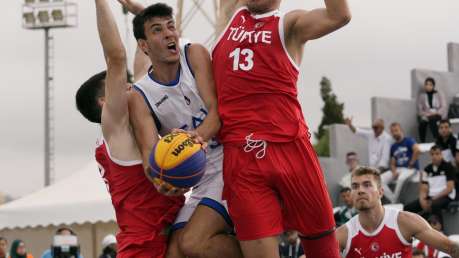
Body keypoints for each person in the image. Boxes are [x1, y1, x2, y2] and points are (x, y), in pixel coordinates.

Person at [212, 0, 351, 257]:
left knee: (324, 251)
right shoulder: (229, 15)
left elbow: (339, 16)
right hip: (242, 157)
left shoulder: (290, 24)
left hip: (291, 150)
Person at [116, 1, 244, 258]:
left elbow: (216, 114)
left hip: (230, 164)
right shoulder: (140, 95)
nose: (169, 33)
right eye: (157, 30)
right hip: (201, 177)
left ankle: (265, 251)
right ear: (144, 46)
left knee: (192, 244)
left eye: (171, 26)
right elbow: (150, 154)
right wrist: (161, 179)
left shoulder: (193, 53)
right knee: (173, 252)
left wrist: (190, 142)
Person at [75, 0, 184, 257]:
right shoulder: (115, 126)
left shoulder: (136, 116)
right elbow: (116, 58)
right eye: (122, 85)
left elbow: (142, 63)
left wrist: (143, 18)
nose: (130, 86)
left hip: (170, 229)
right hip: (143, 245)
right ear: (105, 102)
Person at [336, 166, 459, 258]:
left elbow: (451, 248)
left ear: (380, 192)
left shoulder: (404, 221)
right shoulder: (343, 235)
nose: (360, 190)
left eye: (367, 185)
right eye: (355, 186)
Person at [404, 145, 456, 225]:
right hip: (431, 197)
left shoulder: (449, 167)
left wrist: (434, 198)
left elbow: (450, 188)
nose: (434, 156)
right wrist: (422, 200)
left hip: (446, 196)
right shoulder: (427, 169)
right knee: (407, 208)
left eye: (437, 154)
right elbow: (423, 188)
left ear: (442, 155)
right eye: (432, 154)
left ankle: (439, 230)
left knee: (434, 205)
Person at [381, 122, 420, 203]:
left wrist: (411, 163)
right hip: (398, 169)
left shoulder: (409, 140)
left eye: (396, 130)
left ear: (401, 130)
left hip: (410, 169)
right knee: (378, 180)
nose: (394, 133)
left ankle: (394, 200)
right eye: (392, 131)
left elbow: (417, 150)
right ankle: (393, 199)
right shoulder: (393, 146)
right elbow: (392, 162)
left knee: (401, 178)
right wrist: (394, 171)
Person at [418, 77, 447, 143]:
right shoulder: (422, 96)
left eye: (430, 84)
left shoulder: (439, 94)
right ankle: (422, 141)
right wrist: (426, 114)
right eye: (426, 84)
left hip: (438, 114)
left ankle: (438, 139)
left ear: (433, 86)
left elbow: (443, 106)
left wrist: (436, 113)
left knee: (432, 119)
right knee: (422, 123)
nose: (428, 86)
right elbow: (420, 109)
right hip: (426, 115)